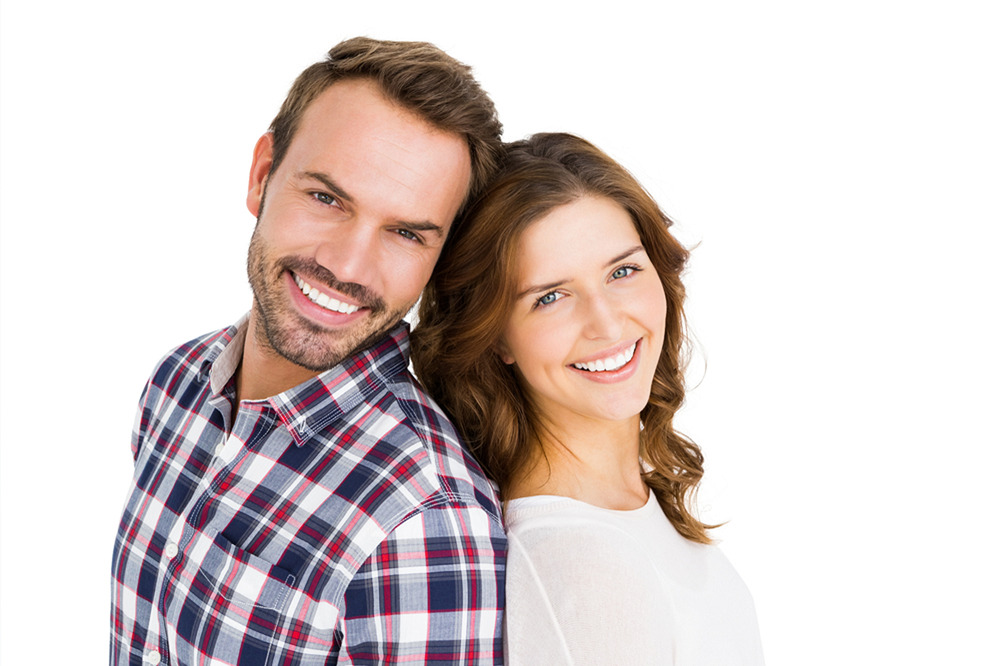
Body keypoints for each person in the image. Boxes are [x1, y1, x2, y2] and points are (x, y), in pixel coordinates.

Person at [110, 37, 507, 665]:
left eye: (405, 233)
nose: (347, 265)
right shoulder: (177, 384)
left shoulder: (425, 520)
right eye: (327, 198)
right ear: (263, 175)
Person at [412, 133, 766, 664]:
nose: (606, 324)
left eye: (622, 271)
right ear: (498, 335)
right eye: (551, 297)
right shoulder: (577, 560)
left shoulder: (623, 509)